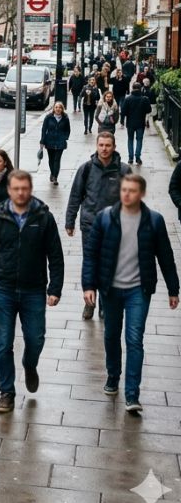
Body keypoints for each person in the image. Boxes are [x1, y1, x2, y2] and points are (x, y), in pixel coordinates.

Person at [82, 174, 179, 414]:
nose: (126, 194)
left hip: (139, 289)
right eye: (124, 189)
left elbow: (166, 256)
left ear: (141, 194)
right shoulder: (105, 218)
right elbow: (91, 254)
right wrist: (89, 285)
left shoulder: (154, 221)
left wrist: (173, 289)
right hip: (111, 289)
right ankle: (113, 375)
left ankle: (132, 394)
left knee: (134, 339)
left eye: (132, 190)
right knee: (111, 335)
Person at [0, 169, 64, 413]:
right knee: (3, 343)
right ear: (9, 190)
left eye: (25, 188)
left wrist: (55, 288)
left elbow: (55, 255)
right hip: (3, 288)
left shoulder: (44, 217)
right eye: (16, 189)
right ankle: (6, 392)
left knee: (35, 338)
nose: (21, 192)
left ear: (30, 189)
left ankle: (29, 364)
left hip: (34, 289)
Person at [66, 131, 132, 319]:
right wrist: (70, 220)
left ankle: (105, 303)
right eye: (101, 145)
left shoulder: (124, 171)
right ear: (96, 146)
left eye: (108, 145)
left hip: (115, 226)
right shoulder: (86, 169)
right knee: (91, 263)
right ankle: (89, 302)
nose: (104, 149)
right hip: (90, 224)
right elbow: (75, 195)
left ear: (114, 147)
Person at [39, 102, 70, 185]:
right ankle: (52, 173)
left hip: (60, 142)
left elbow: (68, 130)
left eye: (60, 107)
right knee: (51, 159)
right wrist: (42, 141)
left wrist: (65, 137)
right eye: (56, 107)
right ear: (54, 108)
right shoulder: (48, 117)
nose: (58, 109)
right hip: (50, 141)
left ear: (62, 109)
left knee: (57, 159)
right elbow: (44, 129)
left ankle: (55, 177)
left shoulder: (65, 118)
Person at [121, 83, 152, 166]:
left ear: (132, 88)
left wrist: (123, 120)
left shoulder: (128, 99)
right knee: (139, 139)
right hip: (140, 123)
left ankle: (130, 158)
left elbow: (123, 111)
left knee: (130, 139)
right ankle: (137, 157)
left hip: (130, 123)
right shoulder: (145, 99)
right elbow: (149, 110)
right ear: (140, 88)